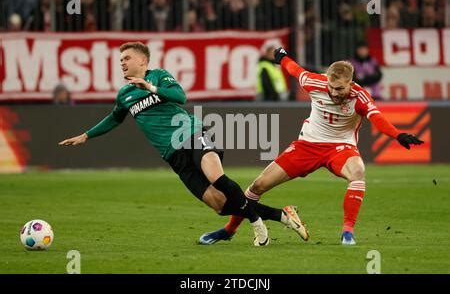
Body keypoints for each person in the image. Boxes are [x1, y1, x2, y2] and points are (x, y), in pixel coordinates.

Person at [58, 42, 304, 246]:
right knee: (219, 205)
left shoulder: (159, 76)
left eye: (126, 58)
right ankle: (280, 215)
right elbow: (115, 118)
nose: (121, 62)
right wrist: (86, 135)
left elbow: (180, 97)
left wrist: (152, 87)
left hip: (189, 133)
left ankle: (256, 225)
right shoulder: (124, 95)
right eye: (120, 59)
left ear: (142, 61)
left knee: (217, 176)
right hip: (172, 155)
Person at [199, 47, 424, 246]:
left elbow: (377, 118)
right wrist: (282, 57)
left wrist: (397, 135)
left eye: (339, 89)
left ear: (350, 83)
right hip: (307, 146)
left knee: (358, 172)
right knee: (257, 186)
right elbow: (295, 69)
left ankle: (347, 232)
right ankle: (229, 230)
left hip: (340, 148)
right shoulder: (315, 82)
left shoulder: (360, 96)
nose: (335, 93)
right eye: (332, 87)